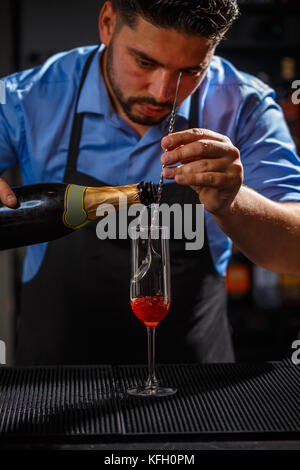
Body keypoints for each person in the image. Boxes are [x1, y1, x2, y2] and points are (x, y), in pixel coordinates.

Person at [1, 0, 300, 365]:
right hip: (57, 382)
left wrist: (232, 202)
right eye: (145, 62)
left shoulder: (243, 105)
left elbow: (294, 251)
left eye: (191, 70)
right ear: (108, 23)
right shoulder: (28, 98)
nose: (162, 93)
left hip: (194, 383)